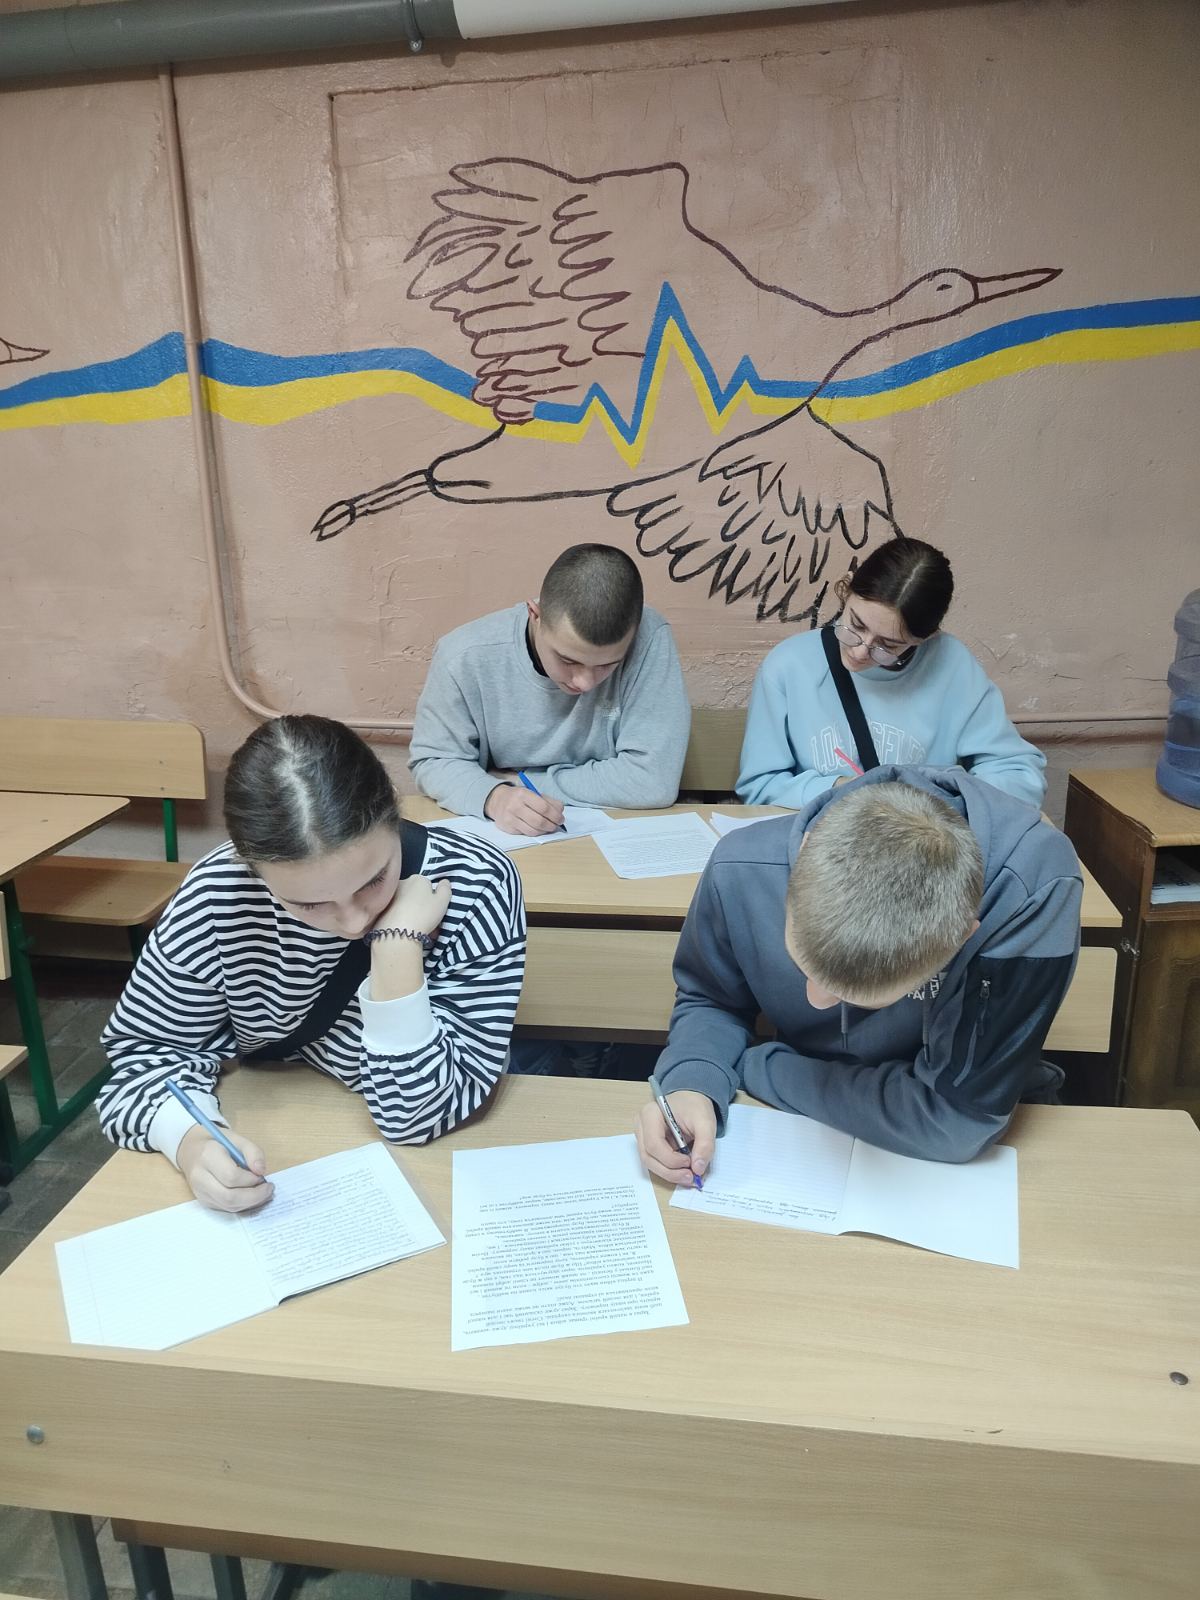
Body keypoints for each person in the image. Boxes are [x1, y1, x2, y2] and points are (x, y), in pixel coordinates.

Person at [97, 715, 526, 1214]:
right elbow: (144, 1056)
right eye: (308, 904)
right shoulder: (219, 894)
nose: (353, 921)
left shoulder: (476, 883)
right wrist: (189, 1140)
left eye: (374, 879)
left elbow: (420, 1115)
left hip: (428, 1157)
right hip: (283, 1119)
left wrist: (395, 949)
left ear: (393, 811)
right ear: (250, 867)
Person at [635, 768, 1081, 1185]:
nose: (815, 1001)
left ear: (964, 936)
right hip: (802, 1119)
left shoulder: (1034, 889)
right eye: (802, 963)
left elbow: (957, 1120)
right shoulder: (740, 866)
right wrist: (693, 1079)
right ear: (804, 851)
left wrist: (751, 1066)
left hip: (932, 1136)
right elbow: (711, 997)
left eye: (861, 998)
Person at [736, 537, 1046, 811]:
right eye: (855, 625)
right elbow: (761, 787)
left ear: (925, 638)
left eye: (888, 645)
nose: (860, 652)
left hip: (922, 845)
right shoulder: (789, 665)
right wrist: (842, 790)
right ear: (846, 588)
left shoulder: (953, 666)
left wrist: (941, 802)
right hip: (819, 842)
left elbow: (1019, 776)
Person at [409, 542, 691, 834]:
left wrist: (520, 782)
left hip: (617, 834)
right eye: (568, 660)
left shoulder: (649, 637)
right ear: (535, 615)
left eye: (608, 665)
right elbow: (433, 761)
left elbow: (652, 780)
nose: (585, 682)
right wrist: (494, 798)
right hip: (507, 836)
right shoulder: (464, 656)